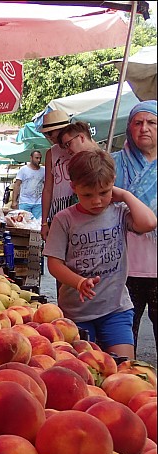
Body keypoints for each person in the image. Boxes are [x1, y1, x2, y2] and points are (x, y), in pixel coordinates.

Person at [43, 149, 157, 359]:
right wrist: (78, 282)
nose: (97, 200)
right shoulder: (64, 219)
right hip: (76, 312)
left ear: (112, 183)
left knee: (124, 369)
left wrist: (124, 194)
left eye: (104, 192)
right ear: (73, 187)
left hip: (116, 309)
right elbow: (54, 264)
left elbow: (149, 223)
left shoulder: (119, 211)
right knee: (86, 370)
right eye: (88, 195)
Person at [111, 100, 157, 348]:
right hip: (123, 265)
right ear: (129, 128)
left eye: (151, 122)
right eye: (138, 123)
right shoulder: (113, 163)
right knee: (124, 337)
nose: (144, 128)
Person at [39, 109, 73, 241]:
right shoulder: (51, 153)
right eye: (46, 134)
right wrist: (44, 222)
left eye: (50, 133)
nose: (48, 136)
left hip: (77, 206)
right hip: (57, 210)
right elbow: (48, 188)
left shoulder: (79, 146)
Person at [11, 150, 45, 218]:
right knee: (24, 223)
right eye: (36, 158)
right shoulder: (23, 169)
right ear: (31, 158)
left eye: (40, 158)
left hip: (38, 202)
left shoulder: (43, 170)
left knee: (37, 224)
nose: (38, 160)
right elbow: (17, 185)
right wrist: (14, 201)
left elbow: (46, 185)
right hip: (25, 201)